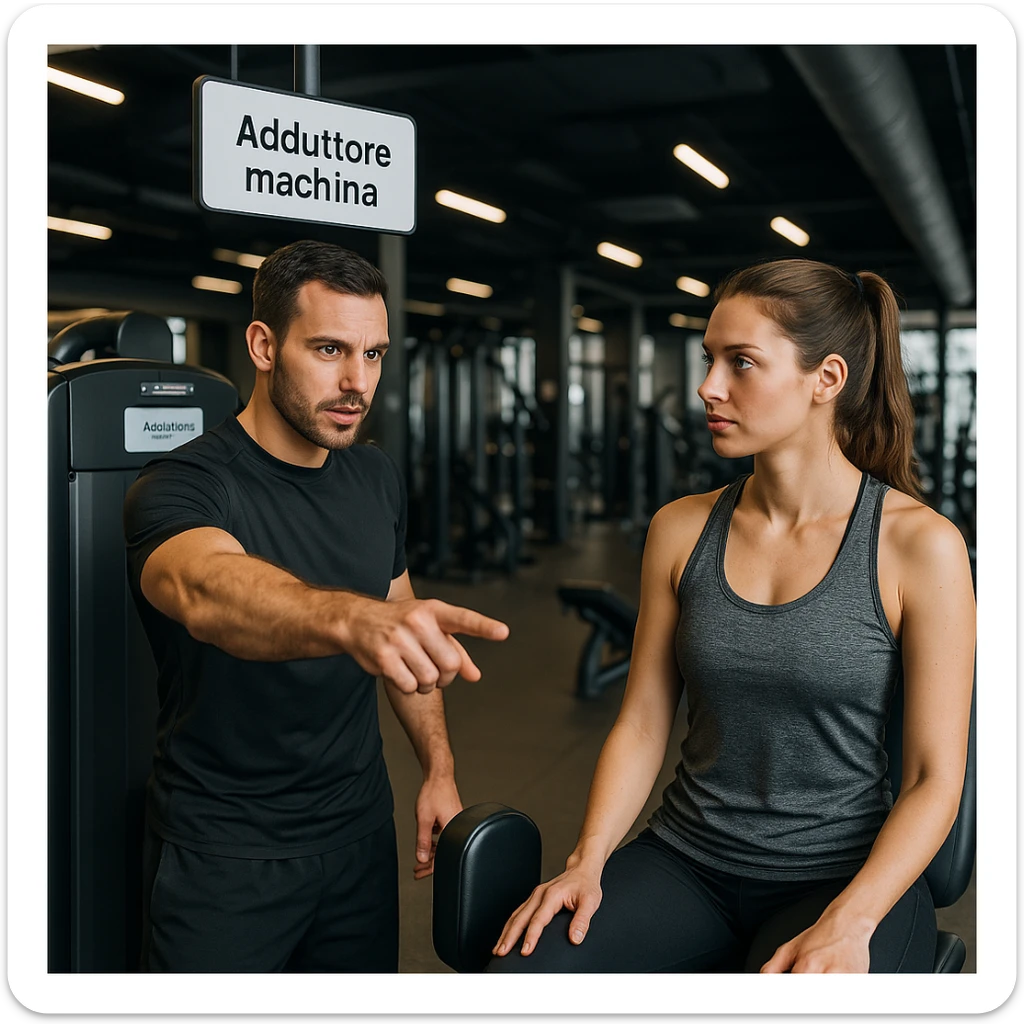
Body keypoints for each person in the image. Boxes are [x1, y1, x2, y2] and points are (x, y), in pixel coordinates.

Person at [487, 257, 976, 974]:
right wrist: (587, 859)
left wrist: (852, 920)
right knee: (524, 974)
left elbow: (935, 777)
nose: (709, 386)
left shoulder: (919, 546)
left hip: (841, 876)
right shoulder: (681, 529)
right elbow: (642, 722)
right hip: (688, 859)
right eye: (710, 358)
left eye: (741, 362)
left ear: (826, 379)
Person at [123, 239, 509, 973]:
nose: (357, 382)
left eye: (374, 354)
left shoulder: (374, 475)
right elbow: (207, 589)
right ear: (264, 346)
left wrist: (439, 767)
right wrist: (349, 619)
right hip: (225, 855)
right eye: (330, 349)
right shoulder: (183, 484)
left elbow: (400, 621)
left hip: (359, 837)